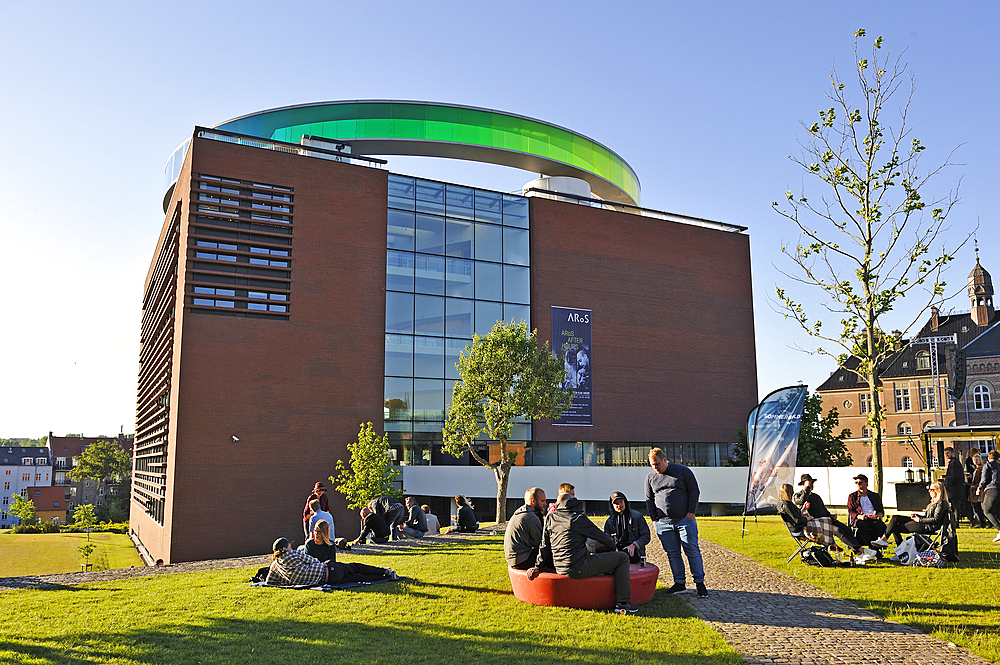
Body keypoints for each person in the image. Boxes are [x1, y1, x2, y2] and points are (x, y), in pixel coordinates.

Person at [526, 490, 637, 614]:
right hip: (578, 567)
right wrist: (614, 548)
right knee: (622, 558)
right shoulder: (577, 518)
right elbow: (602, 537)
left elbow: (544, 546)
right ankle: (622, 604)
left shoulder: (551, 518)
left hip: (559, 567)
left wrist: (537, 567)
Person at [645, 447, 707, 597]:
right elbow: (649, 499)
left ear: (665, 459)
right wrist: (654, 519)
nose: (655, 468)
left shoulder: (683, 471)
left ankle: (699, 583)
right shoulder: (650, 478)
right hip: (663, 523)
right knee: (672, 554)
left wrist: (691, 512)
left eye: (657, 464)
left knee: (691, 551)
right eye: (652, 465)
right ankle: (679, 583)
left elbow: (694, 491)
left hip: (684, 520)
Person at [265, 537, 397, 586]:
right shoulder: (294, 554)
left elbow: (269, 582)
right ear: (284, 548)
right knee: (355, 567)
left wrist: (285, 580)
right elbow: (313, 560)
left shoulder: (275, 566)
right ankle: (385, 572)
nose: (291, 547)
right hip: (328, 569)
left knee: (357, 578)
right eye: (289, 546)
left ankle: (385, 577)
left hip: (328, 581)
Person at [778, 484, 862, 554]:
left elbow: (796, 516)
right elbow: (797, 520)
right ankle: (833, 544)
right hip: (800, 529)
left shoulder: (783, 504)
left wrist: (803, 509)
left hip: (802, 525)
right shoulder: (788, 504)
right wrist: (808, 519)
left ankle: (834, 544)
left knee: (842, 527)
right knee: (835, 529)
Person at [874, 481, 950, 547]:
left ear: (937, 491)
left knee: (895, 527)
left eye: (931, 490)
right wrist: (918, 516)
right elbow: (929, 517)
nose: (929, 491)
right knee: (895, 518)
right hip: (923, 522)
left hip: (927, 526)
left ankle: (898, 548)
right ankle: (885, 539)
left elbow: (935, 520)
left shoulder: (941, 504)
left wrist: (919, 519)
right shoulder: (935, 503)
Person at [794, 473, 858, 548]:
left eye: (812, 482)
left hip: (827, 520)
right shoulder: (797, 496)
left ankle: (856, 549)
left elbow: (823, 509)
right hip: (815, 524)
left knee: (847, 529)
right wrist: (807, 489)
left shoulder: (816, 496)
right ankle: (859, 550)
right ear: (802, 484)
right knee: (837, 530)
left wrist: (830, 515)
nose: (811, 484)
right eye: (809, 482)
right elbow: (802, 501)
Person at [600, 491, 650, 563]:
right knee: (599, 552)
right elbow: (606, 538)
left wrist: (633, 545)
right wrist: (613, 548)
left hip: (633, 550)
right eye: (616, 503)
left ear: (625, 502)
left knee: (622, 555)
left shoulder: (637, 516)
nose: (619, 505)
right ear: (612, 505)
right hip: (617, 548)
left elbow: (646, 536)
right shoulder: (610, 521)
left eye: (621, 502)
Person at [504, 487, 547, 569]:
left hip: (512, 558)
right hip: (522, 560)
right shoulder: (531, 518)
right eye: (542, 501)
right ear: (533, 501)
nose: (545, 503)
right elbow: (541, 543)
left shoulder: (519, 513)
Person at [846, 473, 886, 546]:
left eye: (860, 482)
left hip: (873, 518)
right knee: (861, 525)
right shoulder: (853, 496)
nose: (858, 484)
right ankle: (872, 547)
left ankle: (877, 543)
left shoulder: (874, 496)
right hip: (861, 519)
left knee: (882, 526)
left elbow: (881, 511)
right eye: (856, 483)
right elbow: (851, 511)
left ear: (866, 483)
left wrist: (878, 516)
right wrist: (859, 516)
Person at [979, 450, 1000, 542]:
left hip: (991, 489)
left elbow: (984, 479)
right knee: (998, 511)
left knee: (987, 510)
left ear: (988, 457)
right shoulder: (999, 466)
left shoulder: (987, 466)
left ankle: (999, 529)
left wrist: (979, 488)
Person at [943, 447, 965, 528]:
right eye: (945, 453)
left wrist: (947, 482)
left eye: (948, 453)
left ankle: (956, 522)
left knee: (955, 506)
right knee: (957, 506)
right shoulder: (954, 462)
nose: (946, 455)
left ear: (953, 453)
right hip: (955, 488)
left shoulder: (954, 463)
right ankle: (969, 519)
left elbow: (954, 476)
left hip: (954, 488)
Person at [969, 453, 988, 529]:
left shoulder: (982, 468)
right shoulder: (976, 468)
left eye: (977, 459)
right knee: (977, 507)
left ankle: (983, 522)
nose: (975, 461)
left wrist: (976, 486)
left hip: (979, 490)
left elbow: (982, 479)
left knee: (979, 507)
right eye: (974, 460)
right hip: (975, 489)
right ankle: (982, 522)